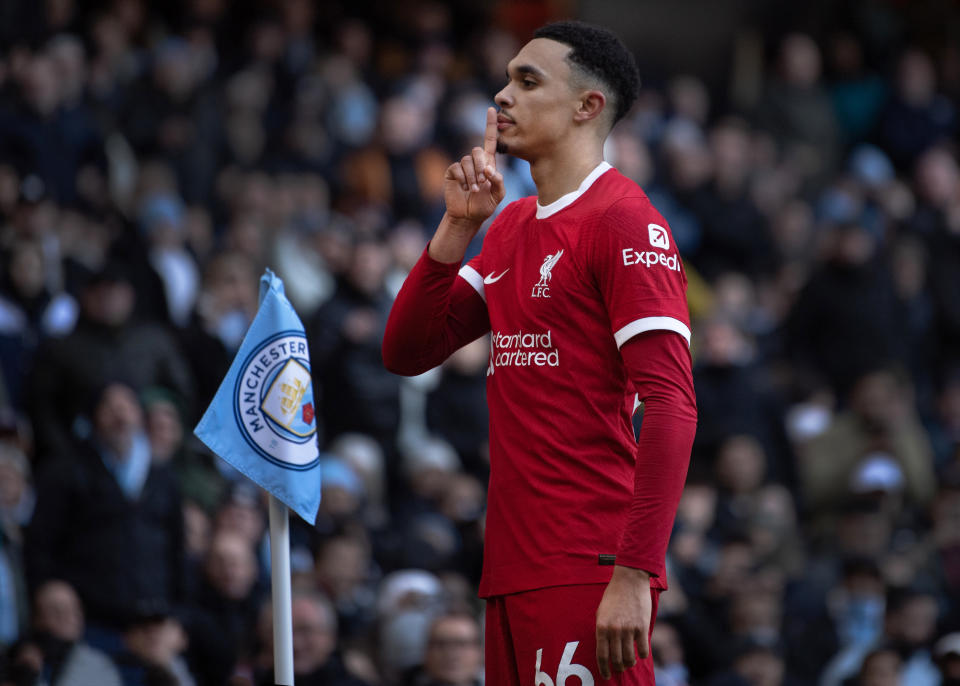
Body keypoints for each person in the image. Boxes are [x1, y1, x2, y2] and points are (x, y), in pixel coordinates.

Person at [382, 20, 697, 685]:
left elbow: (672, 405)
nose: (502, 96)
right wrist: (457, 225)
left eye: (527, 81)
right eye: (505, 79)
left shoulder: (626, 221)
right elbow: (408, 350)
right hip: (510, 571)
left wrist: (636, 573)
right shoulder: (512, 227)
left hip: (590, 567)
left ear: (589, 106)